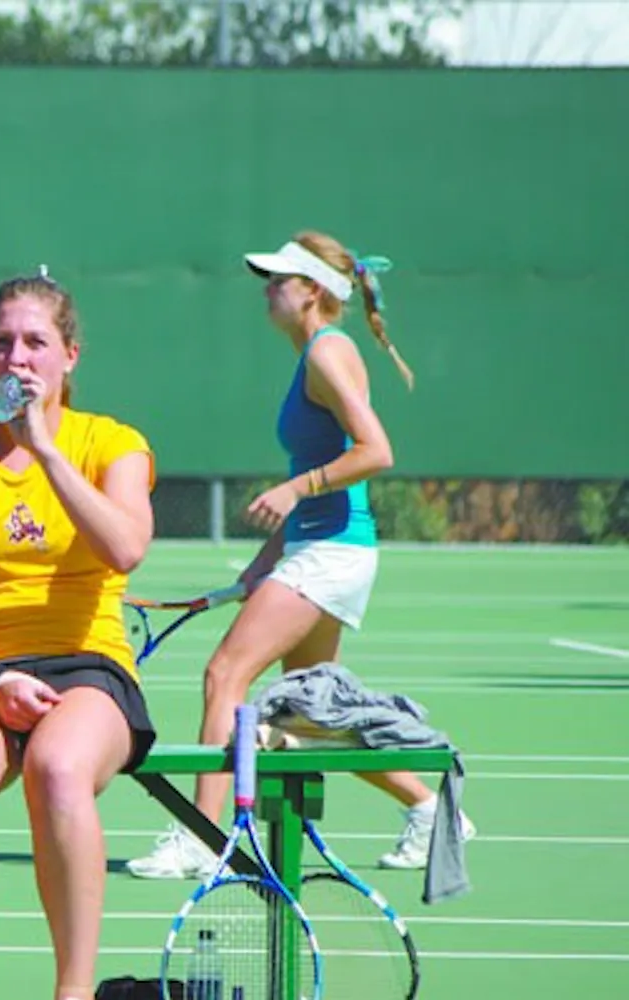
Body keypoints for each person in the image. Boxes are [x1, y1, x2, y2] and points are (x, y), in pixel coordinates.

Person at [126, 231, 476, 880]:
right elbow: (322, 475)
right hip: (322, 548)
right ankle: (432, 809)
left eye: (279, 280)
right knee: (310, 713)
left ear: (311, 291)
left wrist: (293, 489)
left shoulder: (327, 353)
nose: (267, 289)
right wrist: (265, 561)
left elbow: (375, 452)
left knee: (223, 675)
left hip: (334, 554)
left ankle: (202, 840)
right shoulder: (316, 355)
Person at [0, 270, 157, 1000]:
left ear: (69, 356)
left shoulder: (109, 444)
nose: (16, 359)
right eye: (1, 343)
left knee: (56, 767)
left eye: (35, 343)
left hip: (88, 666)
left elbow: (125, 550)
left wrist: (45, 450)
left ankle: (72, 992)